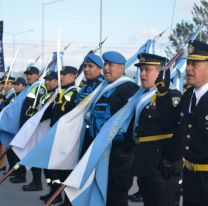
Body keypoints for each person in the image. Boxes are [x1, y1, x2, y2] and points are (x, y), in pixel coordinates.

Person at [86, 51, 138, 206]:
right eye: (105, 64)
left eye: (111, 65)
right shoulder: (104, 87)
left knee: (116, 196)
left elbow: (132, 122)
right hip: (102, 150)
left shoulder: (128, 88)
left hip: (120, 153)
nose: (106, 68)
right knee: (103, 193)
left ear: (122, 68)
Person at [133, 53, 182, 206]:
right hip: (144, 165)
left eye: (147, 70)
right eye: (141, 70)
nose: (142, 74)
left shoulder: (171, 96)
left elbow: (179, 132)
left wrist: (170, 160)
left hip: (162, 167)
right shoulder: (139, 96)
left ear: (161, 73)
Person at [40, 66, 80, 206]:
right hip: (55, 136)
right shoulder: (60, 92)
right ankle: (54, 193)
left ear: (74, 76)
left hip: (67, 138)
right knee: (51, 169)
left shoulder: (76, 93)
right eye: (60, 74)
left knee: (66, 171)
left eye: (65, 74)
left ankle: (68, 200)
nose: (61, 77)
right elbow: (51, 112)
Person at [177, 40, 208, 206]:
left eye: (194, 63)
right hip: (189, 178)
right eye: (188, 63)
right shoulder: (188, 96)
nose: (188, 68)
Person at [9, 66, 47, 193]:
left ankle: (36, 182)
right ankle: (21, 174)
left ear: (37, 75)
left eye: (31, 74)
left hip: (32, 127)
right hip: (25, 126)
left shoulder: (40, 87)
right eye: (27, 74)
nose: (28, 76)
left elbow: (37, 107)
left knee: (32, 153)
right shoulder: (31, 87)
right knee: (21, 151)